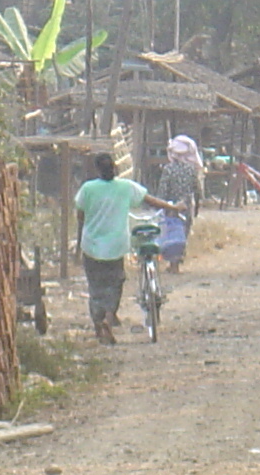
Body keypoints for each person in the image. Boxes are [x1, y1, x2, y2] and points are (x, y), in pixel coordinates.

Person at [73, 152, 175, 346]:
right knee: (114, 285)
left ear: (97, 169)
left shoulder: (88, 188)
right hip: (115, 247)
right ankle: (108, 319)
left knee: (96, 288)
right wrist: (175, 208)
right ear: (115, 167)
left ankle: (98, 325)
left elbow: (80, 215)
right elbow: (150, 200)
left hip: (92, 246)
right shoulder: (125, 187)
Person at [158, 135, 206, 217]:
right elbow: (197, 191)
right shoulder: (191, 170)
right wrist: (196, 210)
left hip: (170, 209)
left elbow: (162, 191)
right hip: (187, 209)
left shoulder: (168, 169)